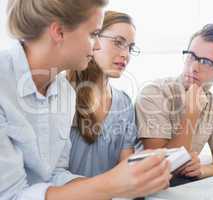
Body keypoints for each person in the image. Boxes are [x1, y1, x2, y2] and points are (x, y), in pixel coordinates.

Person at [0, 1, 171, 199]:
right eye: (93, 34)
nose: (97, 45)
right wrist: (110, 185)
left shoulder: (63, 92)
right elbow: (9, 196)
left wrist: (127, 184)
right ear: (59, 32)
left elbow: (54, 175)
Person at [135, 24, 213, 181]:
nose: (194, 67)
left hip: (183, 187)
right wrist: (191, 114)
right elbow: (158, 168)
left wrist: (202, 169)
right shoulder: (154, 93)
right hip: (148, 189)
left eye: (206, 62)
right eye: (191, 56)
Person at [68, 10, 140, 177]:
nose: (126, 54)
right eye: (118, 42)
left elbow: (126, 168)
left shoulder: (124, 103)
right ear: (94, 38)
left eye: (130, 47)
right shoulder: (62, 93)